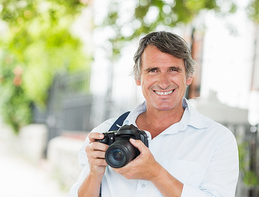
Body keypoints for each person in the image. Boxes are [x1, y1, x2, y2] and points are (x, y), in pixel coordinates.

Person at [69, 31, 239, 197]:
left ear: (188, 76)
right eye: (153, 70)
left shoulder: (217, 140)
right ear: (138, 76)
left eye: (173, 70)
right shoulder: (106, 131)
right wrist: (94, 174)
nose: (163, 82)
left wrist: (156, 174)